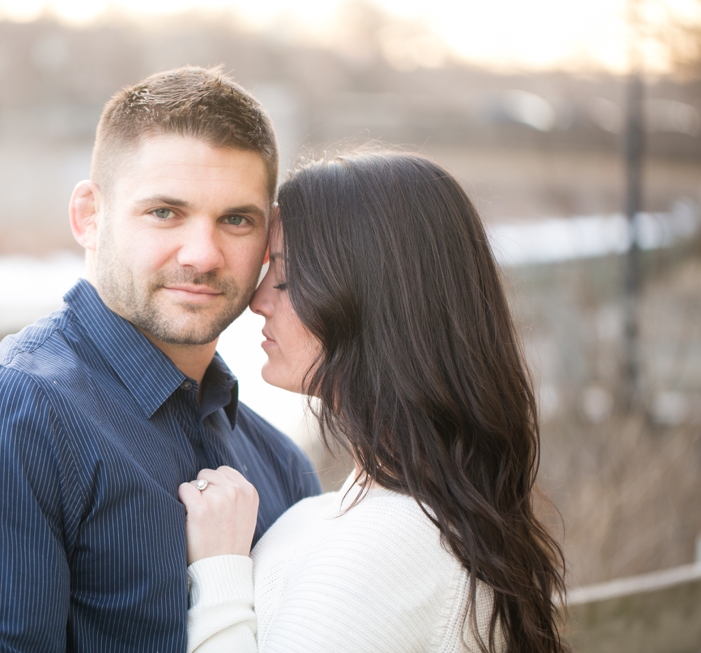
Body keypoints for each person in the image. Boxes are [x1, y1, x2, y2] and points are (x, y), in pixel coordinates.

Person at [0, 66, 321, 653]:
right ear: (90, 216)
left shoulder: (280, 464)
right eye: (164, 212)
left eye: (236, 220)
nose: (202, 254)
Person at [180, 150, 568, 653]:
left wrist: (219, 575)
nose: (258, 300)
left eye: (289, 275)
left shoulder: (390, 543)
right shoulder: (374, 513)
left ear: (371, 296)